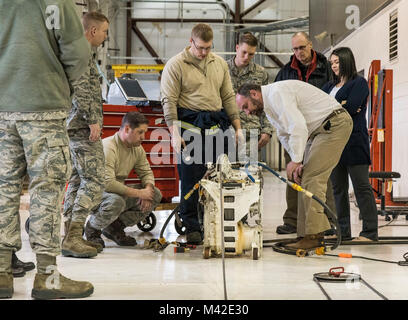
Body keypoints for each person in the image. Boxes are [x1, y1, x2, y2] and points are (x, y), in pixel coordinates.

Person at [0, 0, 93, 299]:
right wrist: (60, 83)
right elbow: (77, 55)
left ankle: (1, 272)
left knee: (3, 188)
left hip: (2, 109)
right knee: (47, 189)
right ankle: (47, 275)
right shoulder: (55, 3)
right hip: (44, 107)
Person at [236, 81, 353, 250]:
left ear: (254, 93)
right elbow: (285, 134)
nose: (248, 112)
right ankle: (305, 234)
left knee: (312, 178)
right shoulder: (269, 108)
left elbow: (297, 126)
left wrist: (297, 160)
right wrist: (295, 159)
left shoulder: (277, 93)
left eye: (246, 106)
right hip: (318, 130)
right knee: (303, 177)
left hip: (334, 124)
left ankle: (314, 236)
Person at [161, 23, 243, 244]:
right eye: (200, 48)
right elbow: (168, 101)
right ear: (191, 42)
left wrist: (237, 127)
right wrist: (174, 134)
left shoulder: (219, 64)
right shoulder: (176, 65)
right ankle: (192, 224)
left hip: (216, 123)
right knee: (191, 178)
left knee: (221, 175)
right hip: (189, 125)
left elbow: (228, 96)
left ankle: (215, 220)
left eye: (208, 47)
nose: (204, 52)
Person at [62, 11, 109, 259]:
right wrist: (92, 120)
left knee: (78, 180)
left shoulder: (79, 51)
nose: (104, 36)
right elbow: (82, 88)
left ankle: (70, 234)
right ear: (92, 31)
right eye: (103, 31)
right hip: (82, 126)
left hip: (75, 125)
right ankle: (72, 236)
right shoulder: (81, 53)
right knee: (95, 179)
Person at [274, 31, 331, 235]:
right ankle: (292, 220)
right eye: (295, 49)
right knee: (292, 173)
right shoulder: (285, 72)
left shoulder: (326, 68)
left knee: (319, 177)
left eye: (302, 47)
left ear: (310, 44)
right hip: (293, 132)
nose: (298, 52)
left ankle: (326, 220)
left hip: (319, 131)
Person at [322, 47, 378, 241]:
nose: (334, 66)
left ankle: (370, 232)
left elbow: (353, 107)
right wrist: (341, 105)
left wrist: (339, 108)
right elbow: (319, 108)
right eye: (332, 63)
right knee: (338, 189)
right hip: (333, 144)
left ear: (346, 61)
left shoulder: (359, 83)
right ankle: (343, 232)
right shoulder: (329, 87)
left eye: (337, 62)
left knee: (361, 187)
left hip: (354, 142)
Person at [84, 112, 162, 247]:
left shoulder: (137, 148)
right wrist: (139, 193)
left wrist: (148, 190)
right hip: (94, 194)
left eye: (145, 132)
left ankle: (114, 228)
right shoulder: (109, 147)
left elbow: (146, 172)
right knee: (116, 201)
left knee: (155, 194)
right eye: (140, 132)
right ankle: (92, 229)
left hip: (115, 192)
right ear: (127, 129)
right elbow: (107, 183)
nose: (143, 137)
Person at [226, 32, 273, 160]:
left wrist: (267, 130)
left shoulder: (260, 73)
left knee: (250, 175)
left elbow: (268, 104)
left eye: (251, 54)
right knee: (224, 175)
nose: (247, 57)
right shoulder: (222, 70)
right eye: (244, 52)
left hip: (251, 134)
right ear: (237, 48)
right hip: (227, 132)